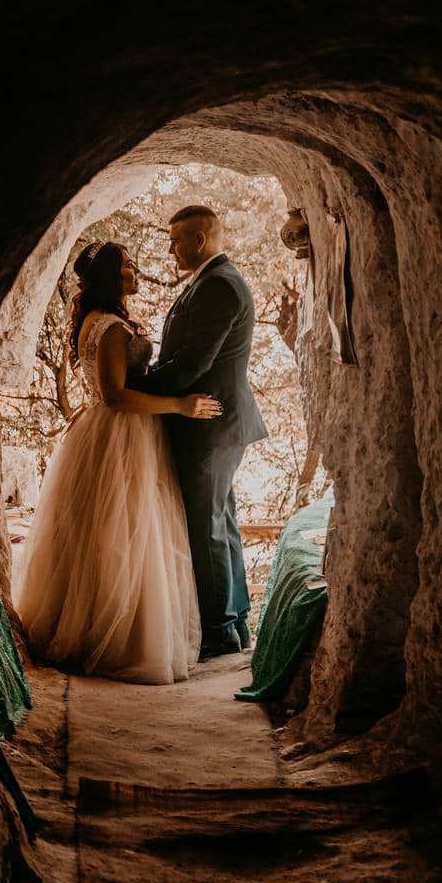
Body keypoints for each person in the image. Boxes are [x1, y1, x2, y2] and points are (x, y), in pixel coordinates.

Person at [14, 240, 219, 684]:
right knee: (122, 532)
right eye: (128, 265)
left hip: (104, 431)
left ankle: (98, 624)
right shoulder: (109, 328)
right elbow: (116, 395)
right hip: (121, 433)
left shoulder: (98, 321)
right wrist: (180, 406)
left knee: (104, 532)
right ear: (111, 277)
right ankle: (117, 638)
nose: (136, 270)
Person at [128, 205, 268, 659]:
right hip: (213, 424)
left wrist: (130, 389)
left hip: (209, 423)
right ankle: (233, 624)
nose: (170, 249)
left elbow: (192, 364)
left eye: (175, 240)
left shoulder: (220, 287)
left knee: (207, 527)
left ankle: (219, 630)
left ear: (199, 240)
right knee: (219, 523)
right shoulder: (211, 282)